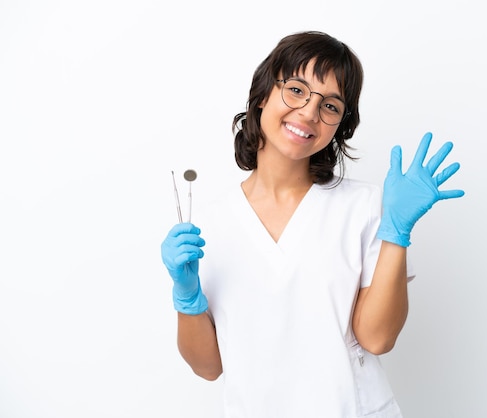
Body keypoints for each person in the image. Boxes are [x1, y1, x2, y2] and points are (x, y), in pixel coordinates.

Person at [160, 30, 464, 418]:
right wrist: (187, 297)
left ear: (340, 125)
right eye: (297, 90)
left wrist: (396, 232)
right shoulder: (207, 226)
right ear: (263, 93)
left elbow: (377, 337)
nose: (308, 113)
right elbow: (208, 367)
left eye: (331, 106)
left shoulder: (366, 206)